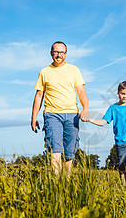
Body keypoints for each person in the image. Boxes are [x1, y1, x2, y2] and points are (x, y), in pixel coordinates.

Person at [31, 41, 89, 179]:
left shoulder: (74, 70)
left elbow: (81, 91)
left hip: (72, 114)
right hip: (52, 114)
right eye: (56, 52)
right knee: (55, 149)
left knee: (69, 151)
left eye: (61, 52)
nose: (58, 55)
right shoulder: (44, 72)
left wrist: (86, 108)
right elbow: (39, 95)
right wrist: (34, 117)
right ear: (51, 53)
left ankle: (66, 182)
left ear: (66, 54)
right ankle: (57, 183)